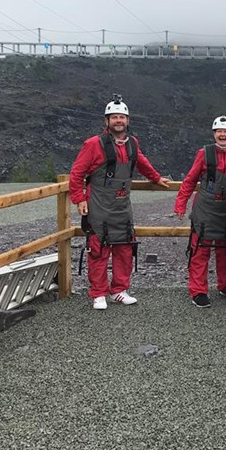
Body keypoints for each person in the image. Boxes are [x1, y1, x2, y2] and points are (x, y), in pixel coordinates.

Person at [70, 95, 170, 310]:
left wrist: (156, 178)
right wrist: (79, 199)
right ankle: (98, 293)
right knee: (98, 249)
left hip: (122, 205)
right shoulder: (93, 144)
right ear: (106, 121)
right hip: (99, 205)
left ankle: (119, 290)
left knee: (125, 248)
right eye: (114, 117)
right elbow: (77, 173)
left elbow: (141, 161)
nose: (118, 121)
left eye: (122, 117)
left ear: (128, 120)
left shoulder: (132, 143)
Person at [174, 115, 226, 308]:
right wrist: (180, 205)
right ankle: (198, 291)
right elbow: (190, 180)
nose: (222, 135)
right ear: (214, 133)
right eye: (219, 131)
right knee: (200, 251)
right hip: (205, 211)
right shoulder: (204, 153)